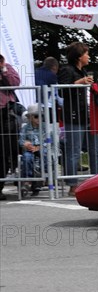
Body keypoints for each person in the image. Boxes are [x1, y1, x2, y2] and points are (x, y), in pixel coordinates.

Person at [58, 42, 98, 197]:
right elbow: (62, 89)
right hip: (74, 115)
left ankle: (97, 181)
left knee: (97, 150)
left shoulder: (83, 70)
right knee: (74, 151)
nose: (89, 56)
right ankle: (72, 185)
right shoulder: (67, 70)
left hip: (89, 115)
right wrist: (79, 82)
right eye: (86, 53)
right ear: (79, 56)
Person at [0, 54, 21, 200]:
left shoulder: (7, 68)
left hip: (6, 114)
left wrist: (3, 69)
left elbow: (14, 82)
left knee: (6, 152)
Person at [19, 104, 46, 196]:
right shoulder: (25, 128)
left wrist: (39, 147)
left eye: (40, 116)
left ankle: (40, 180)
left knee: (44, 156)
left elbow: (49, 140)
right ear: (30, 117)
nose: (39, 118)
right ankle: (27, 180)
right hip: (29, 150)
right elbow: (21, 141)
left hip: (43, 150)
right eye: (36, 116)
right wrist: (26, 144)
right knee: (26, 157)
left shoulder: (44, 127)